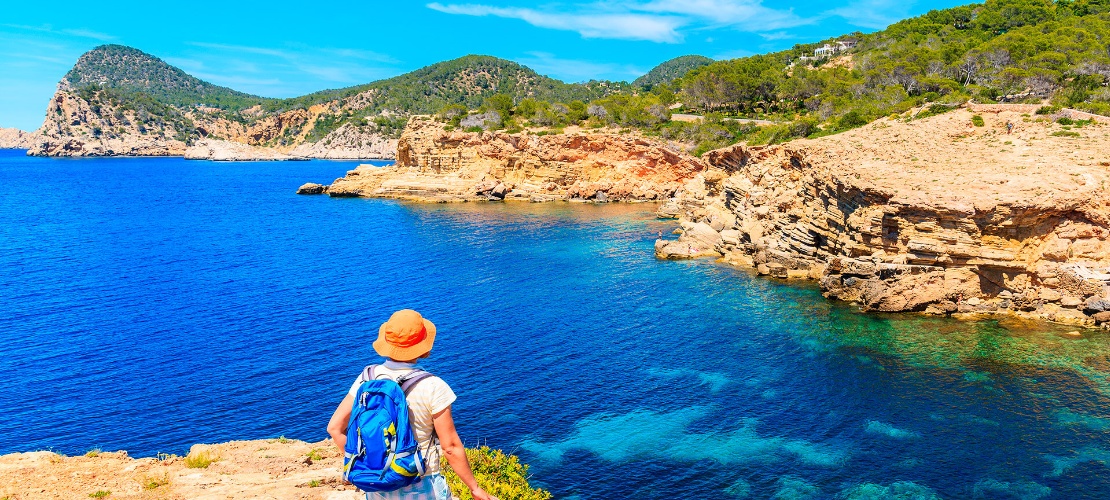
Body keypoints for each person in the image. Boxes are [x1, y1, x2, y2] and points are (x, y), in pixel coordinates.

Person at [327, 309, 497, 500]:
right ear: (423, 344)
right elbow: (449, 447)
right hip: (422, 483)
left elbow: (334, 428)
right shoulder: (433, 386)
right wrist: (474, 488)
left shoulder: (366, 379)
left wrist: (365, 464)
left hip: (378, 485)